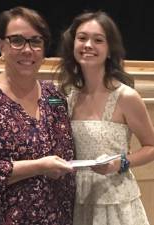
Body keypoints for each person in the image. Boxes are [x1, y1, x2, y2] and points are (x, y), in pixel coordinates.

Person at [0, 6, 75, 225]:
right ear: (2, 47)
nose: (28, 50)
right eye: (17, 40)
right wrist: (39, 166)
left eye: (36, 41)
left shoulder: (54, 97)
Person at [57, 10, 154, 225]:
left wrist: (119, 163)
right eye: (82, 38)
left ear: (110, 50)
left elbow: (151, 147)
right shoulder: (68, 96)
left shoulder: (126, 96)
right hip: (77, 200)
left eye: (98, 40)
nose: (88, 45)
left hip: (116, 202)